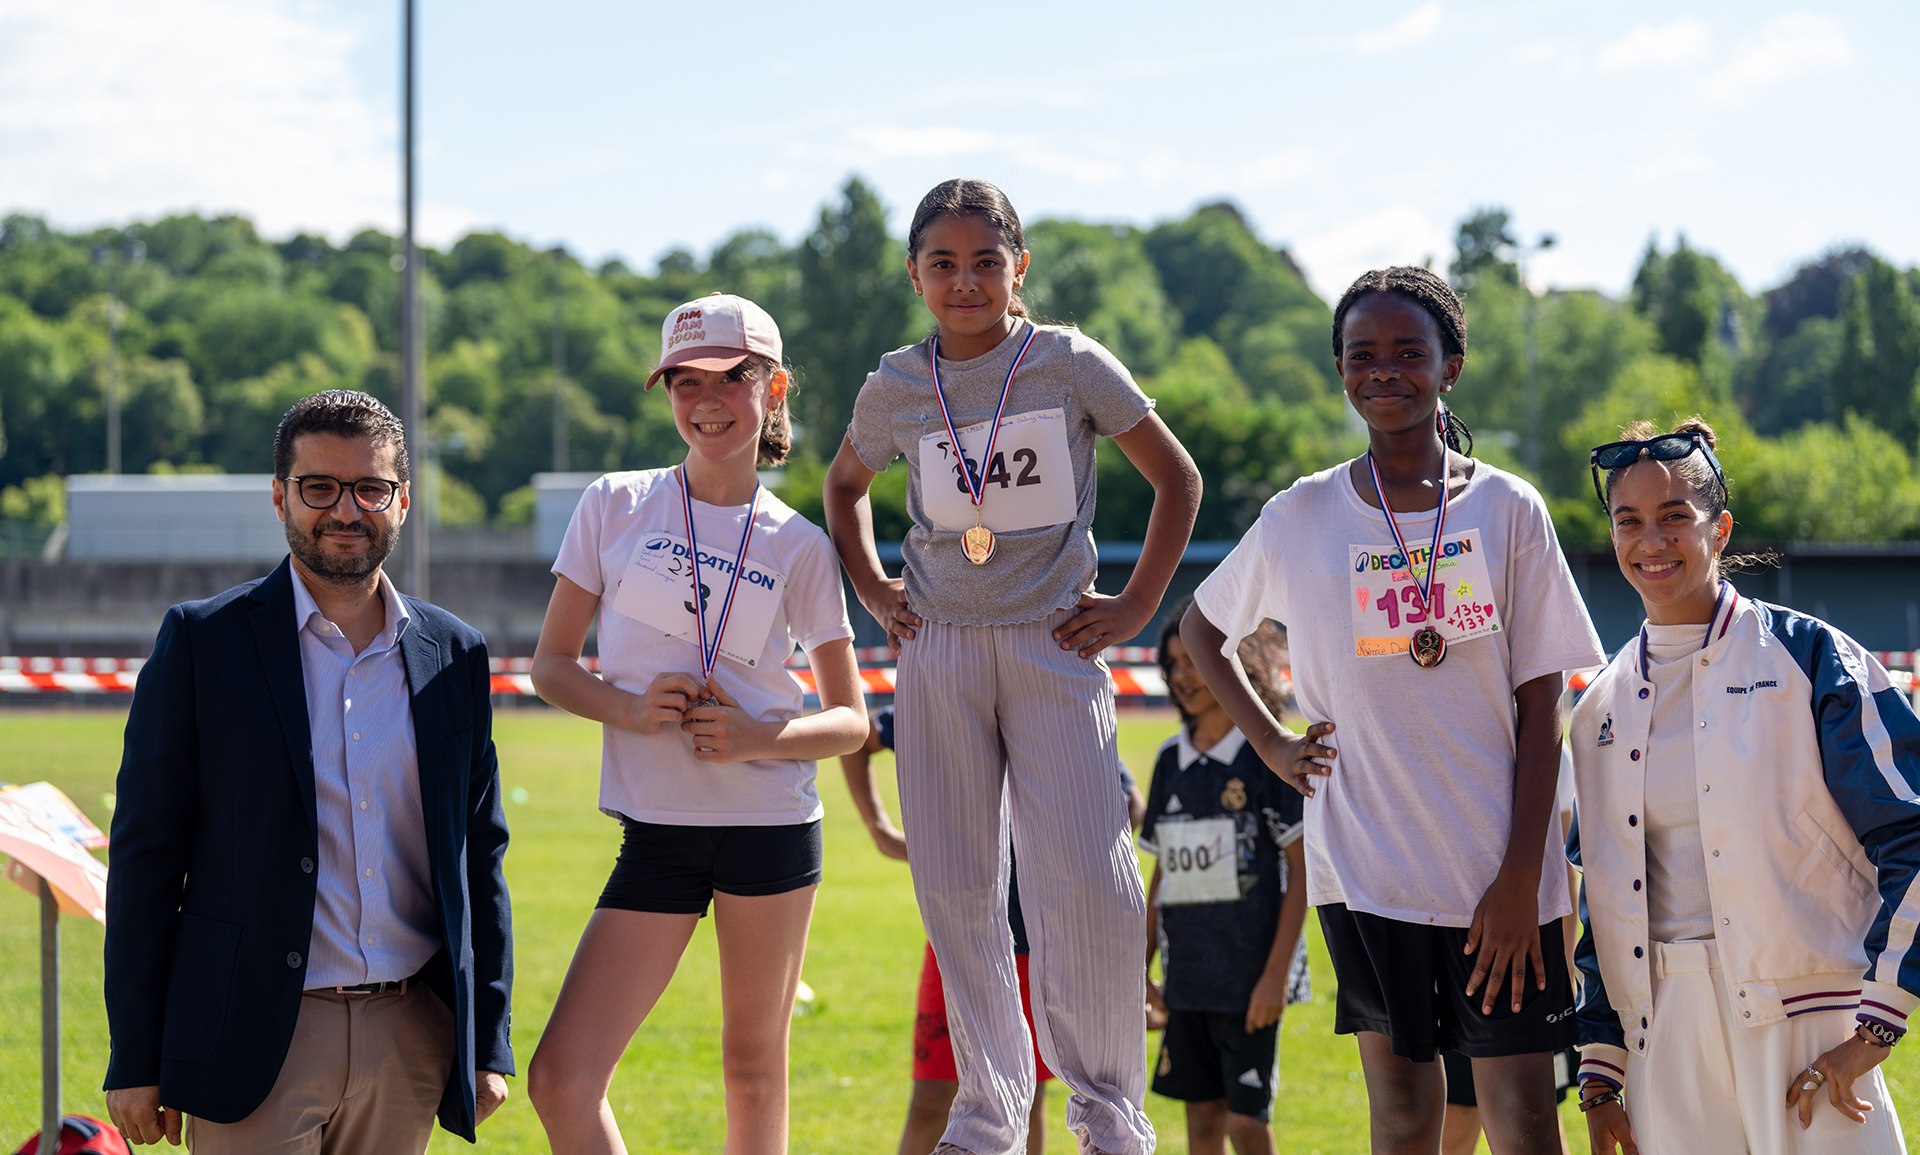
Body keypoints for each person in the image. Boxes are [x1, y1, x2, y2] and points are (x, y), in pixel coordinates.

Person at [1181, 266, 1607, 1155]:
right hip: (1366, 863)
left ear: (1452, 366)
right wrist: (1272, 743)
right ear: (1340, 368)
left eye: (1409, 353)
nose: (1384, 371)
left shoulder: (1507, 508)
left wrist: (1521, 878)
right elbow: (1200, 628)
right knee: (1405, 1111)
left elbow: (1544, 707)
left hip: (1499, 869)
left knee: (1524, 1114)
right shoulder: (1302, 513)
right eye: (1361, 354)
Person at [824, 178, 1201, 1155]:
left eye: (986, 262)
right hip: (938, 648)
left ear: (1018, 268)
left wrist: (1136, 606)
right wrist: (873, 587)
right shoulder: (896, 384)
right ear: (914, 275)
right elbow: (844, 485)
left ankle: (1110, 1118)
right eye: (943, 264)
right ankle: (988, 1117)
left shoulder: (1067, 362)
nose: (966, 281)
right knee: (956, 891)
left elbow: (1177, 477)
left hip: (1053, 641)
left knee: (1092, 883)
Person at [102, 390, 513, 1152]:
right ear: (279, 495)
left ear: (403, 499)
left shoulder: (455, 653)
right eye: (319, 486)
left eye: (371, 488)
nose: (346, 510)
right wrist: (135, 1053)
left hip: (408, 1036)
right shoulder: (202, 643)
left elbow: (478, 854)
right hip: (251, 1033)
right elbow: (145, 859)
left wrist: (487, 1038)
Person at [524, 294, 868, 1154]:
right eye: (685, 382)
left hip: (770, 829)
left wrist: (758, 738)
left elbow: (850, 720)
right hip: (657, 833)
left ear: (774, 388)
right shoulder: (613, 504)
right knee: (561, 1077)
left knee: (754, 1072)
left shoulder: (799, 543)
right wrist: (629, 709)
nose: (707, 401)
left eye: (730, 378)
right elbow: (552, 664)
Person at [1570, 417, 1919, 1155]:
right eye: (1629, 521)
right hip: (1665, 1040)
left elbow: (1911, 836)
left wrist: (1875, 1029)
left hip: (1808, 1027)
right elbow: (1603, 900)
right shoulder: (1598, 706)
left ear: (1720, 528)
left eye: (1675, 516)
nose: (1652, 541)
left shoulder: (1812, 658)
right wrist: (1601, 1075)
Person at [842, 706, 1147, 1155]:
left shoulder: (1050, 707)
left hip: (1039, 944)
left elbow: (1131, 803)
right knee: (932, 1097)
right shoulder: (952, 697)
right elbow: (861, 734)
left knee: (1026, 1099)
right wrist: (880, 830)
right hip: (961, 938)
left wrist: (1064, 856)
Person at [1142, 602, 1309, 1155]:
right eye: (1172, 665)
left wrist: (1277, 976)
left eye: (1191, 661)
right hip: (1188, 979)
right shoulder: (1170, 760)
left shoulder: (1270, 755)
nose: (1181, 676)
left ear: (1233, 663)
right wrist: (1141, 965)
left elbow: (1301, 871)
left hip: (1251, 978)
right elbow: (1162, 872)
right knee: (1202, 1124)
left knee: (1247, 1125)